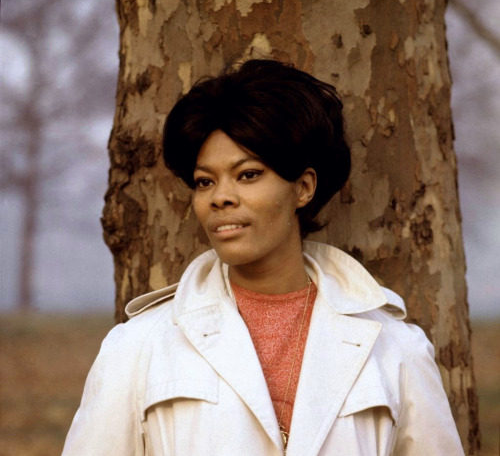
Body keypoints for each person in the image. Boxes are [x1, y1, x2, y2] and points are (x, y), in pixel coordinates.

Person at [63, 59, 464, 455]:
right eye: (205, 181)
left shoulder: (394, 348)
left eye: (248, 174)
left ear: (303, 187)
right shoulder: (138, 347)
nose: (220, 196)